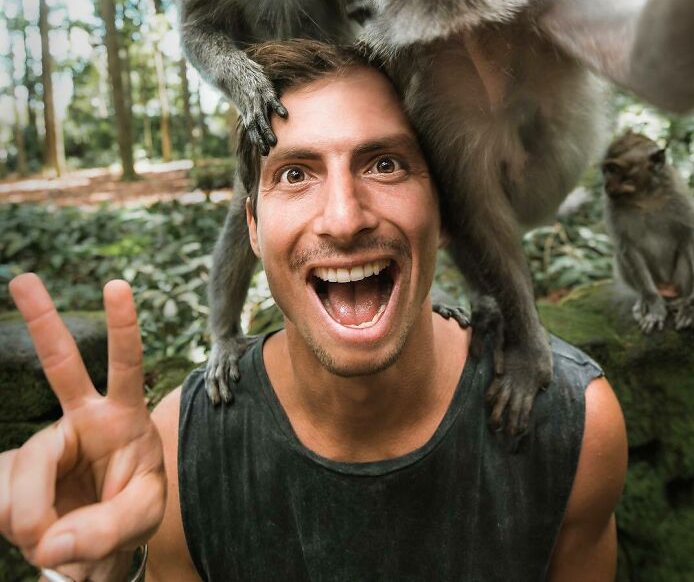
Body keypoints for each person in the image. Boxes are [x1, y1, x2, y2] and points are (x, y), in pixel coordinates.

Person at [0, 40, 627, 582]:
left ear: (448, 216)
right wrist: (88, 571)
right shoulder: (176, 448)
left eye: (384, 164)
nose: (344, 218)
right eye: (296, 174)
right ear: (251, 225)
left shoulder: (574, 426)